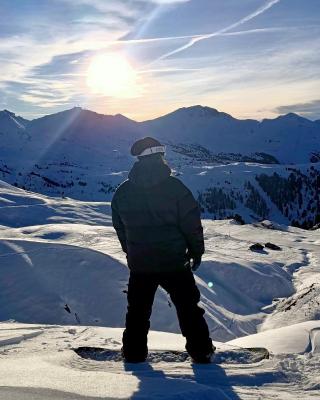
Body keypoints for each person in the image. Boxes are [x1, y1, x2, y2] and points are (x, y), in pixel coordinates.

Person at [111, 137, 214, 363]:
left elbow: (120, 227)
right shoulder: (176, 189)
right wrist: (197, 252)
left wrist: (131, 252)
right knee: (188, 309)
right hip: (174, 262)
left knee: (137, 312)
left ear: (139, 158)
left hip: (141, 265)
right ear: (159, 157)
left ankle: (133, 354)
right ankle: (201, 351)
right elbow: (191, 224)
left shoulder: (123, 192)